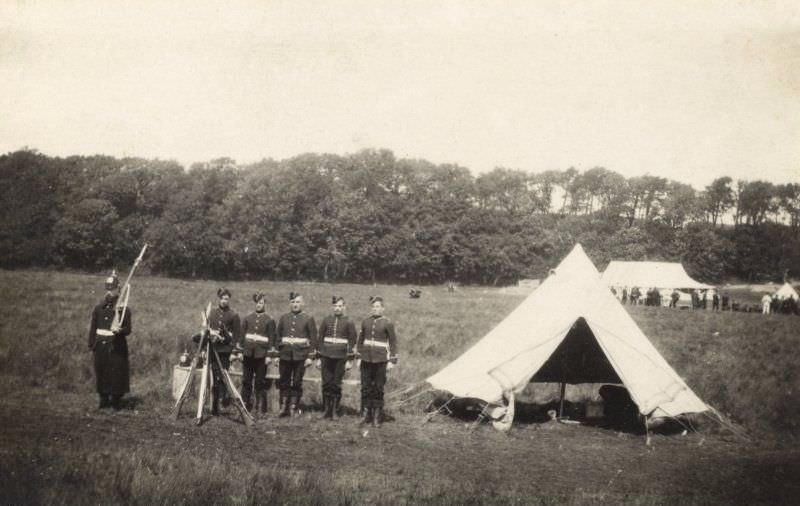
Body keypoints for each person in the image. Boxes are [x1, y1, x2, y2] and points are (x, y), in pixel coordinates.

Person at [88, 270, 132, 411]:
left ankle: (116, 401)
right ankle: (103, 400)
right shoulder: (98, 309)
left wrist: (120, 331)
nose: (109, 293)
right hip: (101, 345)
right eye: (107, 289)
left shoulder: (123, 310)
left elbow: (128, 329)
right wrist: (92, 344)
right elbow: (93, 328)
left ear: (118, 290)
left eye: (112, 289)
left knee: (117, 374)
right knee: (102, 372)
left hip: (116, 345)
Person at [194, 288, 241, 416]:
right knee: (213, 378)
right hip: (212, 349)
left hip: (224, 351)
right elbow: (205, 333)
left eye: (226, 299)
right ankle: (214, 406)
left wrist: (233, 352)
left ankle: (223, 401)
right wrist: (203, 349)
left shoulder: (233, 315)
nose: (224, 301)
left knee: (223, 377)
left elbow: (237, 336)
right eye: (222, 298)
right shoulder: (212, 314)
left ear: (229, 300)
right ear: (219, 299)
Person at [356, 296, 398, 428]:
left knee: (378, 388)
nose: (375, 309)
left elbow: (393, 342)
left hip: (381, 360)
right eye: (373, 307)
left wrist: (392, 360)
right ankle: (365, 415)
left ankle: (376, 417)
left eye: (378, 307)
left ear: (383, 308)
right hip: (366, 359)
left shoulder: (387, 323)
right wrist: (358, 357)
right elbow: (360, 340)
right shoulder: (365, 322)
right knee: (365, 388)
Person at [315, 296, 358, 420]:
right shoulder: (326, 320)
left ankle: (334, 411)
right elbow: (320, 339)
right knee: (326, 383)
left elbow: (352, 340)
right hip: (326, 357)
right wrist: (319, 358)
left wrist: (349, 360)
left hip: (341, 357)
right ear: (332, 307)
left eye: (340, 306)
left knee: (336, 384)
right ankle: (326, 410)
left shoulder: (349, 322)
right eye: (335, 306)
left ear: (344, 307)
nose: (337, 308)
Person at [275, 292, 317, 417]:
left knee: (297, 381)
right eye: (293, 302)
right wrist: (277, 354)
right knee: (284, 380)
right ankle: (283, 407)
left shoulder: (308, 318)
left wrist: (310, 357)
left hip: (301, 355)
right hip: (285, 354)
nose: (295, 305)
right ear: (290, 304)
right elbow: (278, 336)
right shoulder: (284, 318)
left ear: (302, 304)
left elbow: (313, 338)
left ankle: (294, 407)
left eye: (298, 302)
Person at [240, 292, 276, 415]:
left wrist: (269, 356)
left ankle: (259, 407)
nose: (259, 305)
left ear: (265, 304)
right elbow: (241, 337)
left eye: (261, 303)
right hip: (248, 354)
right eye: (257, 303)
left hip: (262, 355)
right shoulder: (247, 318)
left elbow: (272, 339)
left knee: (260, 382)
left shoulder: (269, 320)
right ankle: (245, 405)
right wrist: (240, 352)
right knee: (246, 380)